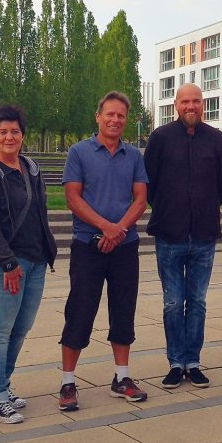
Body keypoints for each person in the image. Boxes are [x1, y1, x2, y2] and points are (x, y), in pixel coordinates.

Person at [58, 91, 149, 411]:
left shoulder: (134, 155)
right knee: (80, 311)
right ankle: (68, 382)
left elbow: (140, 199)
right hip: (87, 245)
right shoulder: (79, 152)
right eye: (109, 114)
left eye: (121, 116)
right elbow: (73, 198)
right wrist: (105, 228)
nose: (115, 120)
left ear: (126, 120)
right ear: (98, 116)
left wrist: (118, 230)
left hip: (125, 246)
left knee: (124, 310)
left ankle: (121, 377)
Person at [0, 105, 57, 424]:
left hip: (34, 260)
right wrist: (8, 263)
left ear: (23, 135)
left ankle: (2, 387)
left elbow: (40, 213)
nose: (10, 136)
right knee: (0, 331)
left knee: (20, 329)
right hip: (3, 265)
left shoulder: (30, 167)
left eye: (15, 131)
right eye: (3, 131)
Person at [144, 83, 222, 389]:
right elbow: (148, 184)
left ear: (202, 104)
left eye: (196, 101)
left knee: (197, 301)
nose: (190, 106)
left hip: (204, 235)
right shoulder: (160, 138)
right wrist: (171, 209)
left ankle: (192, 362)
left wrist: (203, 208)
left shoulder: (216, 139)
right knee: (172, 302)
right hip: (170, 234)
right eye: (185, 101)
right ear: (176, 105)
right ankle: (175, 362)